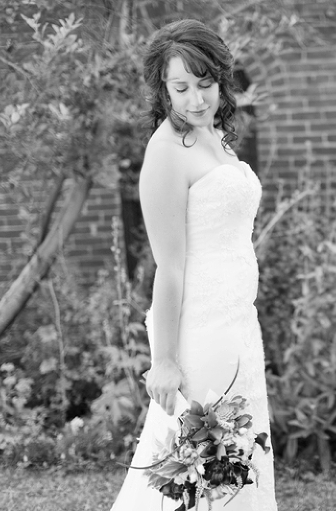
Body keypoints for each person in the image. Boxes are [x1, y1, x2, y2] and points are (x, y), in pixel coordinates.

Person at [110, 19, 277, 511]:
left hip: (238, 325)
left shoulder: (216, 134)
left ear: (222, 81)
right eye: (180, 88)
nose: (195, 100)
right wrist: (163, 360)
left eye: (205, 85)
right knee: (197, 472)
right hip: (198, 330)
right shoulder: (164, 153)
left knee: (239, 462)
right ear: (163, 89)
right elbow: (169, 266)